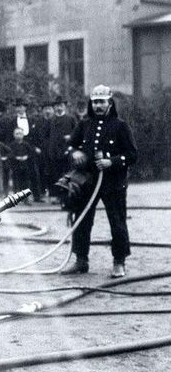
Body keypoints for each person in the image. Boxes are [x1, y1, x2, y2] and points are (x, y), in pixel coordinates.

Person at [62, 85, 137, 278]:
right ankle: (81, 260)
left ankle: (119, 262)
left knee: (117, 222)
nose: (98, 106)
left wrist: (111, 161)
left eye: (102, 101)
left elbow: (132, 154)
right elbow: (70, 145)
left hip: (113, 183)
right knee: (82, 220)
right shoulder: (84, 124)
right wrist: (75, 151)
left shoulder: (120, 126)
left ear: (110, 103)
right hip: (87, 181)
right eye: (95, 102)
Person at [10, 98, 42, 202]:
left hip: (30, 149)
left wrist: (36, 147)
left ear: (25, 107)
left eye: (22, 106)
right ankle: (17, 198)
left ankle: (37, 196)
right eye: (18, 107)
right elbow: (9, 137)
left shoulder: (32, 120)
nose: (20, 109)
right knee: (17, 175)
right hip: (17, 150)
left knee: (33, 173)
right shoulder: (12, 121)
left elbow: (37, 135)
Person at [48, 96, 76, 203]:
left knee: (67, 173)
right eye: (56, 106)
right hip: (54, 152)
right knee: (55, 174)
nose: (59, 108)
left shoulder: (71, 119)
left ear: (64, 106)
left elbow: (77, 133)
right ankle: (56, 196)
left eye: (61, 105)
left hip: (67, 151)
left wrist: (71, 137)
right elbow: (46, 135)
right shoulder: (51, 120)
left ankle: (66, 196)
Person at [32, 100, 54, 200]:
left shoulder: (55, 121)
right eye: (46, 109)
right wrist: (36, 147)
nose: (47, 111)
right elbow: (34, 137)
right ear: (42, 111)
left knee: (53, 172)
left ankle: (53, 193)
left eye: (49, 109)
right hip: (41, 151)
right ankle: (42, 193)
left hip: (53, 151)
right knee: (41, 172)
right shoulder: (38, 122)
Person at [7, 126, 34, 198]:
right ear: (14, 135)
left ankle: (26, 197)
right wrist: (16, 157)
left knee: (26, 181)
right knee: (16, 181)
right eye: (17, 134)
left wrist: (26, 157)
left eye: (20, 134)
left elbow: (31, 153)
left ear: (23, 135)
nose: (18, 135)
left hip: (25, 165)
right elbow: (9, 154)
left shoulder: (26, 144)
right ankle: (17, 196)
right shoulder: (11, 145)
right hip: (16, 165)